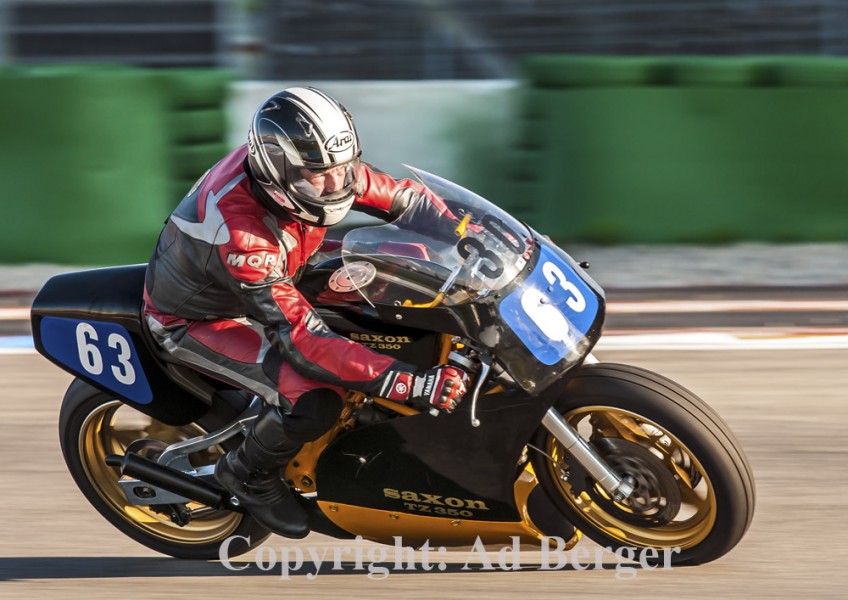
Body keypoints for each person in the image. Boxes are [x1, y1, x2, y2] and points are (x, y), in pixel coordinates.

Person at [143, 87, 469, 538]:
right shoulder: (243, 235)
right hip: (204, 318)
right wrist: (407, 383)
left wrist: (468, 232)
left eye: (343, 167)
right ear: (279, 171)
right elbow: (302, 340)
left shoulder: (316, 169)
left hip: (282, 272)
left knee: (412, 270)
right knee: (314, 395)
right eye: (320, 175)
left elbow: (407, 199)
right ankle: (247, 473)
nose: (337, 185)